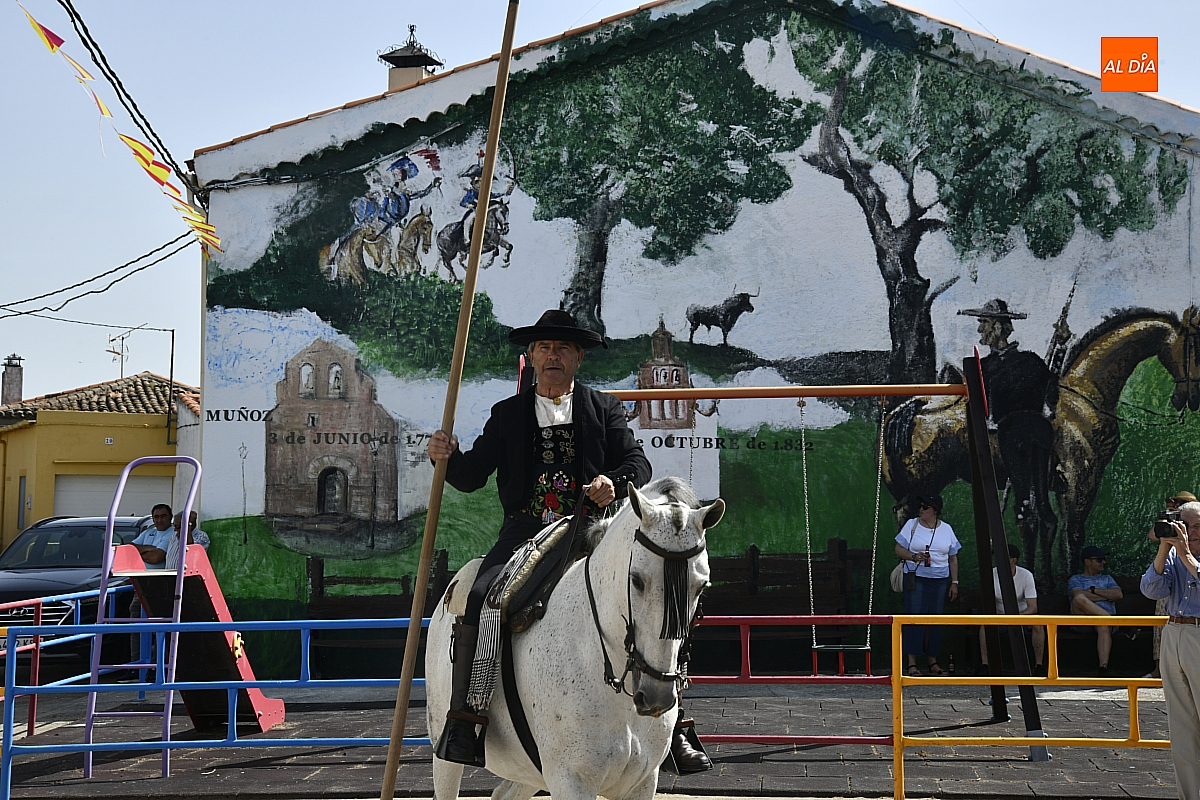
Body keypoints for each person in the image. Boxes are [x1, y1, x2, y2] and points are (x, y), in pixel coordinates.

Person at [427, 310, 714, 770]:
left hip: (593, 531)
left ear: (578, 358)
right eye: (544, 347)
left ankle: (675, 722)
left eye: (562, 348)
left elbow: (638, 464)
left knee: (661, 591)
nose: (552, 355)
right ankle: (467, 716)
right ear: (532, 356)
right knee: (483, 597)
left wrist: (614, 483)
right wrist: (447, 456)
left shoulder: (604, 408)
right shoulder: (507, 415)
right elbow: (470, 475)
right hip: (526, 530)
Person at [958, 299, 1058, 580]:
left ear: (999, 327)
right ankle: (1034, 567)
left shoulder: (1029, 361)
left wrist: (1060, 348)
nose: (980, 329)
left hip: (1024, 430)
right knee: (1033, 500)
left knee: (1034, 499)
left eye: (985, 323)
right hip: (1021, 429)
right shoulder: (983, 366)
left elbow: (1053, 394)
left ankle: (1044, 570)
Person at [1140, 500, 1200, 800]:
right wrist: (1164, 549)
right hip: (1174, 632)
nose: (1190, 531)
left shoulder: (1187, 556)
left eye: (1197, 525)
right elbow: (1151, 590)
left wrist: (1188, 556)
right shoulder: (1174, 555)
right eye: (1185, 524)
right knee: (1180, 726)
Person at [894, 494, 961, 676]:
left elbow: (953, 558)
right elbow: (898, 548)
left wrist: (954, 582)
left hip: (940, 579)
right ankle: (912, 663)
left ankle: (933, 661)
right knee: (914, 617)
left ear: (935, 510)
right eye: (921, 506)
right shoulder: (912, 525)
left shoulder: (946, 529)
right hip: (916, 577)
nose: (921, 510)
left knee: (935, 619)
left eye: (926, 507)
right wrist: (914, 556)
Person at [1148, 491, 1197, 678]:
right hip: (1173, 593)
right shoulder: (1172, 526)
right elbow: (1153, 535)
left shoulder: (1194, 516)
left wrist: (1185, 552)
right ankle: (1159, 667)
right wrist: (1168, 523)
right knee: (1162, 625)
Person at [979, 543, 1045, 675]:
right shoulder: (990, 575)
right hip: (998, 616)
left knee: (1038, 624)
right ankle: (985, 665)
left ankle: (1039, 666)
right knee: (984, 624)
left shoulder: (1026, 575)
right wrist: (1002, 615)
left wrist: (1019, 616)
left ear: (1013, 560)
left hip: (1022, 616)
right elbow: (987, 604)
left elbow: (1033, 606)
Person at [126, 503, 175, 672]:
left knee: (158, 627)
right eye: (156, 517)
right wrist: (148, 548)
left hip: (160, 584)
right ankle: (136, 666)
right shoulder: (148, 532)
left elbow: (157, 558)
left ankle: (155, 668)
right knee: (135, 624)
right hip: (140, 583)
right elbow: (127, 549)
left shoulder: (173, 534)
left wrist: (142, 553)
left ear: (170, 517)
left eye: (163, 516)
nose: (160, 520)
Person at [1068, 545, 1123, 676]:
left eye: (1103, 559)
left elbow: (1118, 594)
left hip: (1103, 624)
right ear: (1087, 561)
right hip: (1082, 620)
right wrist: (1106, 596)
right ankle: (1116, 622)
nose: (1103, 562)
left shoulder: (1107, 579)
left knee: (1103, 624)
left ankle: (1103, 668)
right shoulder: (1076, 579)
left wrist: (1094, 591)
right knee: (1079, 598)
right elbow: (1078, 595)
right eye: (1099, 559)